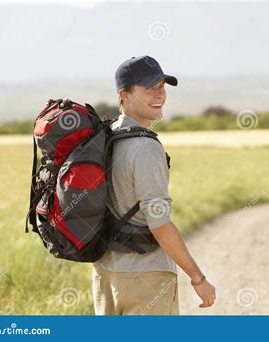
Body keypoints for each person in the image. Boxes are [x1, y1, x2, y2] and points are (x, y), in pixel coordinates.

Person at [92, 55, 216, 315]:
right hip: (145, 278)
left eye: (162, 86)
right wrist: (198, 278)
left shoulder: (106, 137)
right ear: (124, 94)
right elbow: (159, 224)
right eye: (150, 88)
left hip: (105, 272)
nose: (159, 94)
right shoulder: (145, 147)